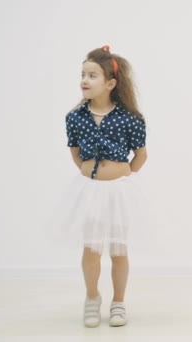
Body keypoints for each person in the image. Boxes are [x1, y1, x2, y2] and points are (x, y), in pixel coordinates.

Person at [63, 45, 147, 328]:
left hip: (119, 192)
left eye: (92, 75)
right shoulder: (75, 118)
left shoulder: (130, 118)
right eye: (83, 74)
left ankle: (119, 301)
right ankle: (91, 297)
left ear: (110, 83)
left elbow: (141, 155)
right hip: (90, 191)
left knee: (119, 249)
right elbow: (75, 152)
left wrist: (123, 173)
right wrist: (90, 174)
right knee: (91, 249)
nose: (84, 80)